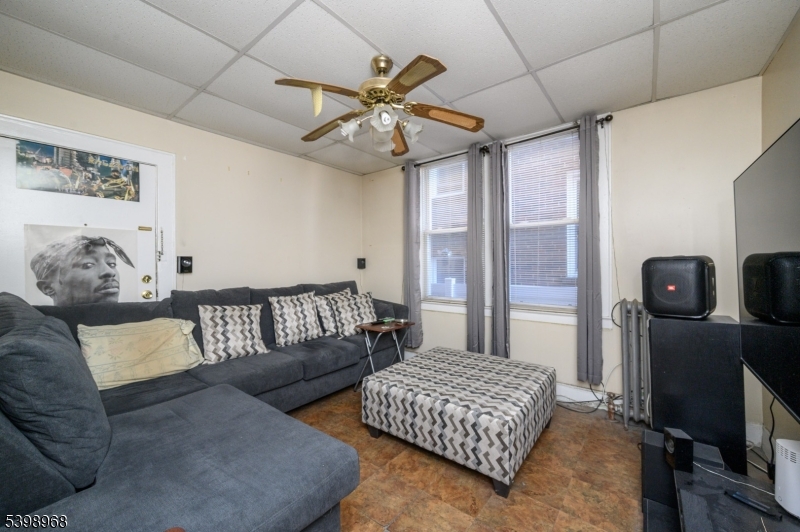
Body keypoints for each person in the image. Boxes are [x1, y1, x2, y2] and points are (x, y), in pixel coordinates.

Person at [30, 235, 134, 306]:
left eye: (112, 264)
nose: (110, 272)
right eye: (88, 265)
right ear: (47, 287)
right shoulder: (44, 329)